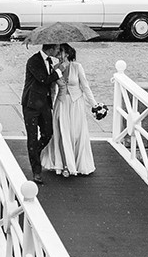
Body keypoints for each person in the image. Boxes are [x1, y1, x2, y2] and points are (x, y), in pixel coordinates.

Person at [40, 43, 96, 177]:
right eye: (58, 52)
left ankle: (77, 163)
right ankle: (64, 165)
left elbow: (85, 86)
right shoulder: (55, 68)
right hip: (61, 104)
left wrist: (94, 105)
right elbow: (52, 90)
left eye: (61, 52)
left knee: (76, 134)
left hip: (76, 103)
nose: (58, 55)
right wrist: (49, 106)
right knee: (62, 133)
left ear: (68, 53)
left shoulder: (77, 67)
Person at [21, 43, 60, 184]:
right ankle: (36, 171)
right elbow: (43, 79)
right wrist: (59, 72)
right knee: (32, 137)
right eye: (57, 48)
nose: (58, 51)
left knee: (48, 133)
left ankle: (34, 153)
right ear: (51, 48)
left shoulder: (50, 61)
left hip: (44, 104)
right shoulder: (34, 61)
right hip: (31, 104)